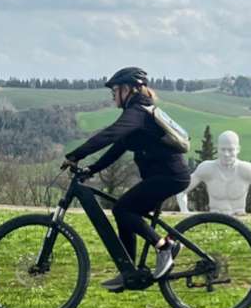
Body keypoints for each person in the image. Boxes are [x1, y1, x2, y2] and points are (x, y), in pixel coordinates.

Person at [62, 67, 190, 291]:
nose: (113, 95)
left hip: (170, 177)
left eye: (115, 90)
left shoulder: (138, 112)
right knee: (124, 211)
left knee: (123, 209)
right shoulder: (136, 113)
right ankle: (128, 271)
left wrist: (76, 154)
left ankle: (164, 247)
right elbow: (118, 146)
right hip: (161, 176)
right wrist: (91, 168)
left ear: (129, 89)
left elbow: (110, 135)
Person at [176, 130, 251, 217]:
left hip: (240, 218)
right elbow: (181, 189)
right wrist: (185, 211)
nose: (226, 154)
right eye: (223, 149)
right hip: (214, 217)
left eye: (230, 150)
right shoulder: (207, 168)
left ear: (238, 149)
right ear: (217, 149)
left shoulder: (245, 169)